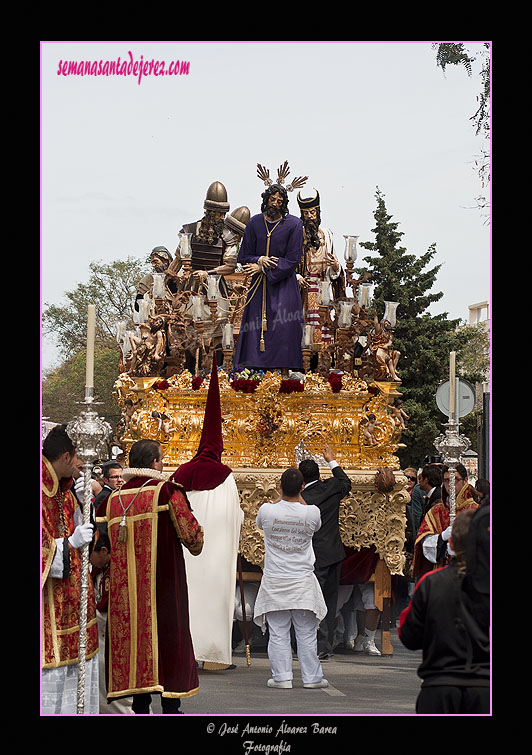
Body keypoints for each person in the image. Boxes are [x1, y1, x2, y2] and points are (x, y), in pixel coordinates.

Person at [103, 439, 204, 714]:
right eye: (161, 459)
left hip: (126, 592)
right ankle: (171, 706)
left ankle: (140, 705)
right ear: (154, 463)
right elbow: (192, 537)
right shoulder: (166, 491)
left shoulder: (115, 499)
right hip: (163, 586)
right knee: (167, 638)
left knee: (137, 640)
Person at [171, 363, 244, 669]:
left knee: (186, 593)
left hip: (187, 550)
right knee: (213, 594)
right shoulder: (225, 476)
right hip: (213, 551)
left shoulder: (180, 472)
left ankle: (182, 649)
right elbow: (235, 517)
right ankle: (212, 654)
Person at [399, 509, 490, 714]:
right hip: (485, 688)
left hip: (439, 686)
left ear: (450, 545)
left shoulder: (430, 583)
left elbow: (409, 636)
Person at [253, 467, 328, 690]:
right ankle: (312, 678)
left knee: (278, 632)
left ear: (279, 486)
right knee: (306, 632)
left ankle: (282, 677)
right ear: (303, 487)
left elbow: (259, 524)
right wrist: (298, 495)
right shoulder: (311, 512)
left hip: (276, 579)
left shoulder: (267, 510)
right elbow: (316, 527)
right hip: (301, 580)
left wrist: (282, 496)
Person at [42, 425, 99, 715]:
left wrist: (84, 511)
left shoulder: (64, 490)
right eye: (81, 460)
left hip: (76, 604)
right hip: (48, 614)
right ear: (66, 456)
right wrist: (66, 545)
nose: (82, 467)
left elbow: (85, 537)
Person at [233, 183, 304, 376]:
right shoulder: (254, 223)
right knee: (255, 330)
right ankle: (251, 376)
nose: (275, 204)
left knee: (283, 329)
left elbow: (292, 259)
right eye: (272, 199)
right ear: (266, 200)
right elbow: (244, 255)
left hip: (283, 287)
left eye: (280, 201)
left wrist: (263, 268)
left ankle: (283, 375)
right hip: (258, 288)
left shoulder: (295, 225)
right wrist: (259, 259)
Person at [299, 444, 351, 659]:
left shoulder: (302, 498)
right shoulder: (331, 487)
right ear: (318, 474)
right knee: (329, 599)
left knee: (313, 599)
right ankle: (326, 644)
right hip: (333, 552)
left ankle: (316, 643)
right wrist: (332, 460)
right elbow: (346, 483)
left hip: (314, 555)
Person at [89, 531, 133, 714]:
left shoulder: (119, 569)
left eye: (90, 554)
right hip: (98, 633)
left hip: (114, 633)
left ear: (104, 551)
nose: (88, 559)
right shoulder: (98, 569)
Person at [296, 189, 344, 350]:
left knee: (325, 325)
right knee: (305, 325)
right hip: (305, 288)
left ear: (317, 212)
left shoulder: (327, 234)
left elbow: (335, 269)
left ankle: (323, 361)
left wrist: (335, 266)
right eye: (306, 213)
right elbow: (292, 262)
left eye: (312, 212)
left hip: (324, 288)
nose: (310, 216)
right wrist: (297, 277)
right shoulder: (298, 235)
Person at [412, 464, 479, 581]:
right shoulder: (436, 511)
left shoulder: (477, 511)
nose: (450, 484)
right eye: (447, 480)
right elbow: (425, 544)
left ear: (465, 480)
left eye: (455, 479)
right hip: (442, 573)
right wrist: (442, 538)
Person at [411, 463, 443, 535]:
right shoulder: (430, 496)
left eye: (421, 478)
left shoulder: (438, 497)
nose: (419, 481)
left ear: (426, 480)